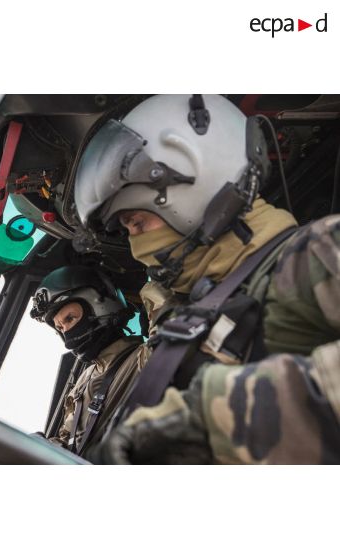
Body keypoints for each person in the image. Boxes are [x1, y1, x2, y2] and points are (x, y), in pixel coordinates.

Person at [73, 94, 340, 463]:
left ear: (195, 188)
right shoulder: (195, 307)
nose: (137, 248)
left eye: (137, 222)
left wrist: (207, 422)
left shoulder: (318, 253)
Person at [30, 265, 159, 456]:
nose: (66, 332)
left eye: (70, 318)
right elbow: (69, 442)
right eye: (60, 327)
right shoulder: (83, 380)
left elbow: (165, 306)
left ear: (100, 306)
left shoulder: (143, 359)